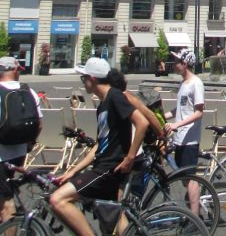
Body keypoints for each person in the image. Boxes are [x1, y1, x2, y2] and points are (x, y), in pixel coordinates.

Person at [49, 58, 148, 236]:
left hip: (109, 168)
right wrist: (73, 170)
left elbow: (142, 122)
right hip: (103, 166)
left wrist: (130, 157)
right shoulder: (103, 104)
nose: (83, 82)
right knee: (116, 222)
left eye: (83, 78)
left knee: (58, 200)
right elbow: (99, 146)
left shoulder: (115, 96)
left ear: (92, 79)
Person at [0, 57, 43, 224]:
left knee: (6, 203)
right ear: (14, 70)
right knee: (6, 193)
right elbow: (39, 125)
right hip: (19, 154)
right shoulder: (28, 91)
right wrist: (29, 144)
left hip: (1, 155)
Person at [164, 50, 204, 215]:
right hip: (179, 138)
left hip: (189, 139)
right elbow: (180, 108)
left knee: (191, 179)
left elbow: (199, 112)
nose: (174, 64)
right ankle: (195, 209)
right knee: (185, 179)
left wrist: (177, 124)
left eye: (176, 61)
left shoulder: (196, 83)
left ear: (185, 63)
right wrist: (163, 116)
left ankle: (195, 218)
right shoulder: (183, 83)